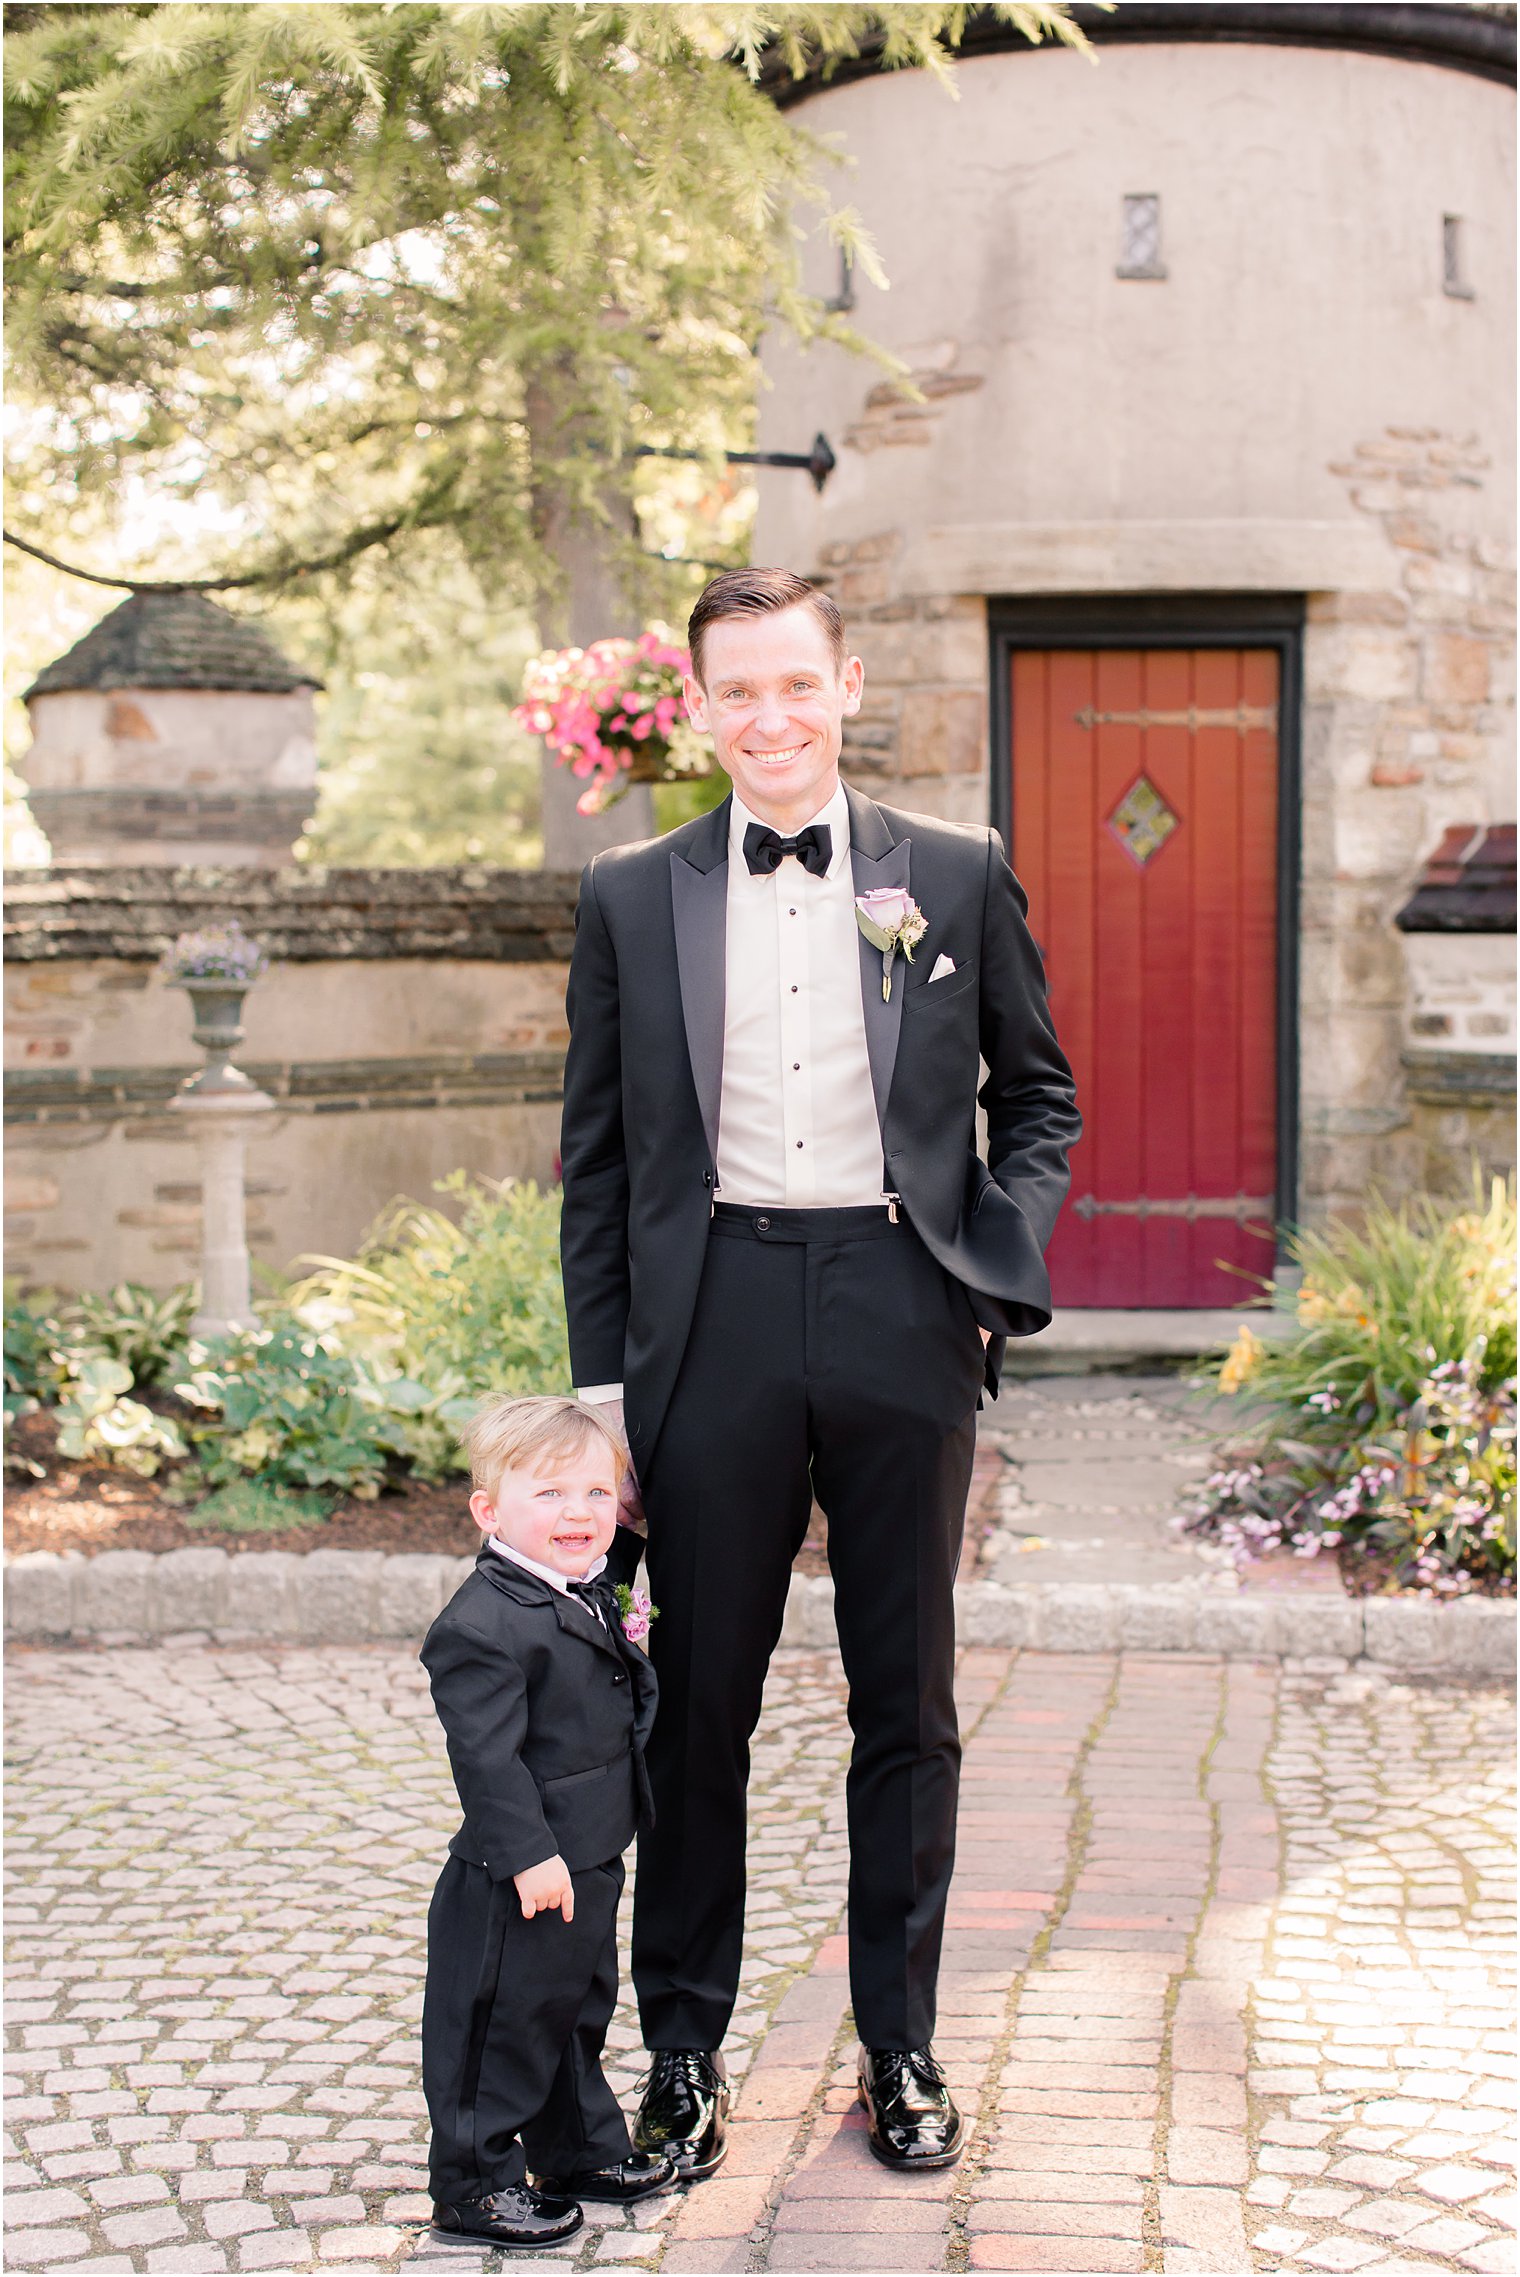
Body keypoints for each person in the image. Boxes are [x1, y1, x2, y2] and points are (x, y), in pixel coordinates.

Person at [559, 566, 1081, 2175]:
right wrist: (601, 1398)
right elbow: (592, 1167)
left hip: (899, 1306)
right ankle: (689, 2056)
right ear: (700, 707)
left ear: (847, 686)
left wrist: (986, 1279)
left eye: (798, 685)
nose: (770, 718)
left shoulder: (958, 874)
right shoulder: (630, 897)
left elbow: (1039, 1100)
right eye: (739, 691)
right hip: (707, 1324)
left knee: (904, 1699)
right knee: (696, 1705)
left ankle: (903, 2049)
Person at [419, 1394, 675, 2249]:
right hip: (520, 1871)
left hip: (592, 1851)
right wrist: (529, 1855)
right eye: (551, 1494)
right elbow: (487, 1759)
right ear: (490, 1511)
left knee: (575, 2006)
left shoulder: (586, 1587)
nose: (579, 1513)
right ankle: (474, 2182)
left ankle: (575, 2148)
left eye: (598, 1494)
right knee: (501, 2021)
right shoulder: (482, 1624)